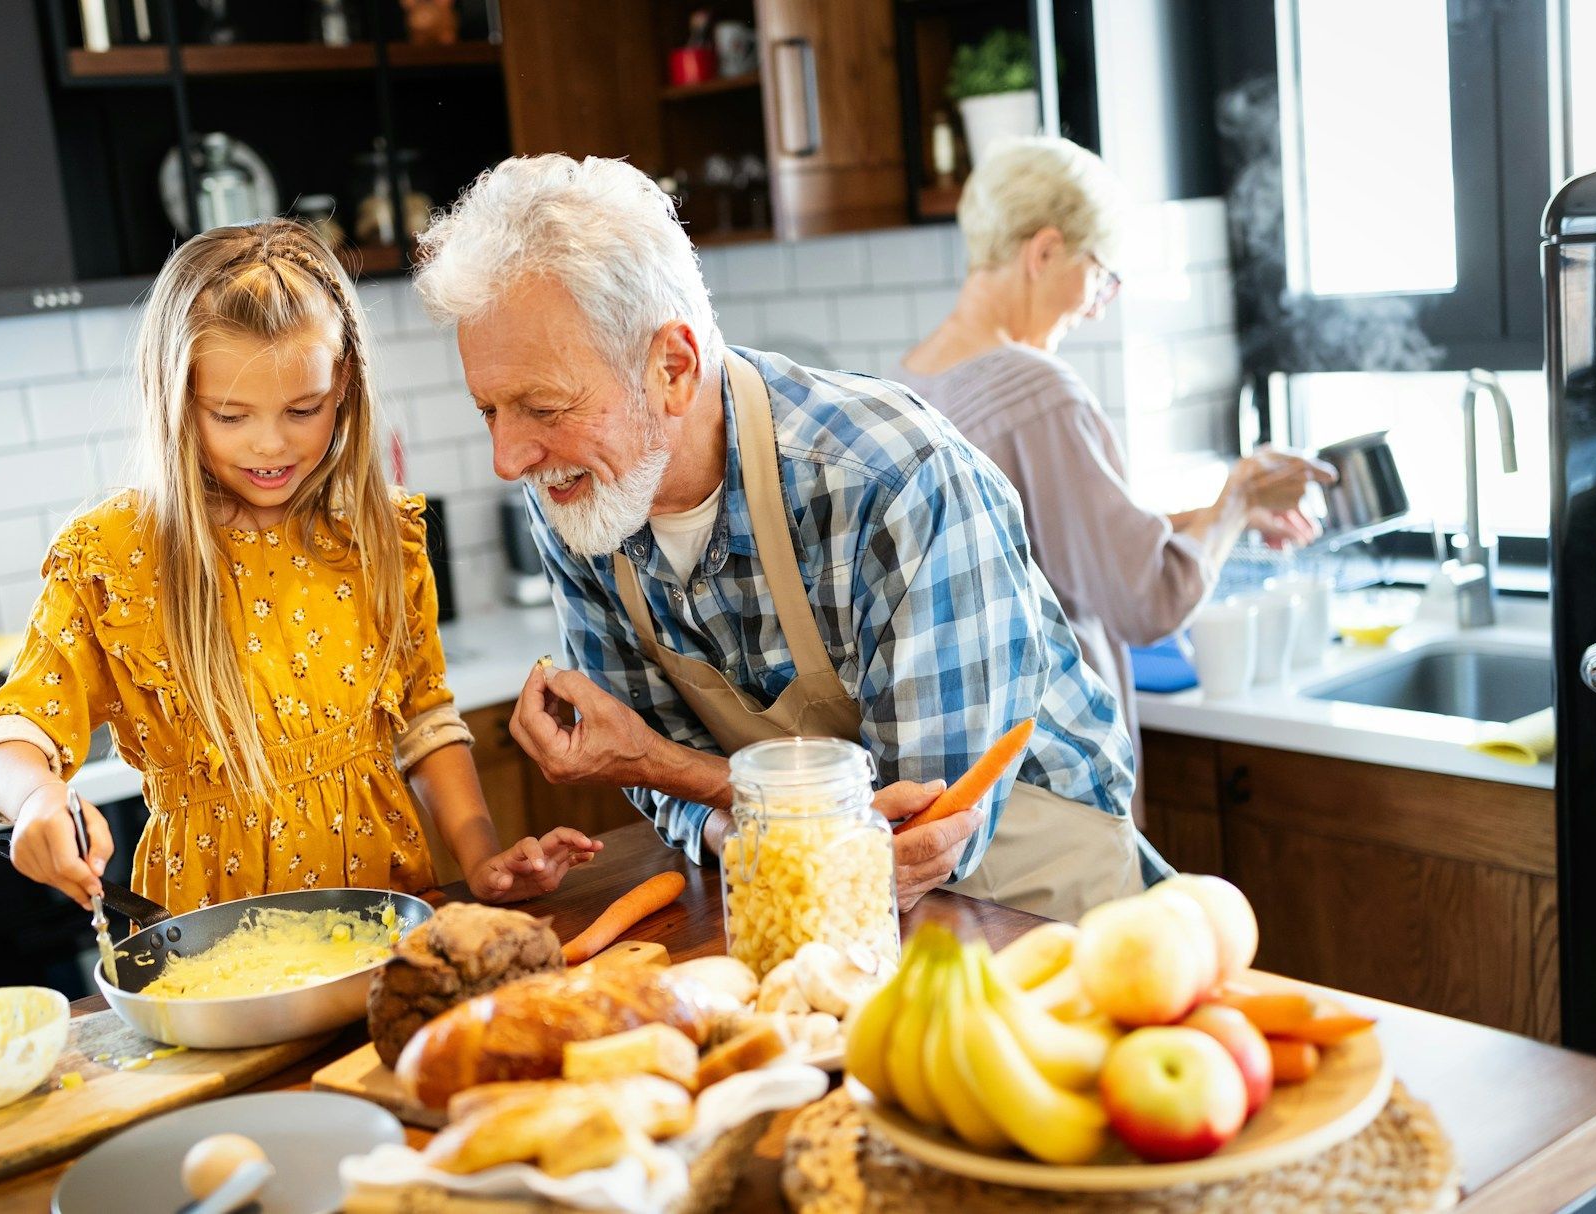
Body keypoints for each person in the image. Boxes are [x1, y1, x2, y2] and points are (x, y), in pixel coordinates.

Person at [413, 154, 1164, 919]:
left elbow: (920, 832)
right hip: (817, 908)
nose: (509, 459)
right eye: (489, 411)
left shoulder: (892, 481)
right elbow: (645, 759)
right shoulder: (579, 496)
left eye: (543, 407)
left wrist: (672, 768)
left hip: (1033, 898)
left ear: (673, 367)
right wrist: (692, 790)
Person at [0, 219, 598, 915]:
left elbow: (424, 722)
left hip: (383, 915)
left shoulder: (375, 532)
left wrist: (480, 856)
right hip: (214, 944)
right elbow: (14, 729)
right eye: (230, 416)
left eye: (303, 408)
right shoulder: (116, 558)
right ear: (175, 401)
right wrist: (35, 800)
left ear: (344, 383)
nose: (271, 444)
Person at [898, 137, 1334, 809]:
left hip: (958, 787)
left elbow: (1052, 543)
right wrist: (1239, 491)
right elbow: (1148, 599)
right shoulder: (1037, 390)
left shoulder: (907, 383)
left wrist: (1227, 515)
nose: (1098, 305)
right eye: (1100, 275)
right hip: (1060, 777)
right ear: (1043, 252)